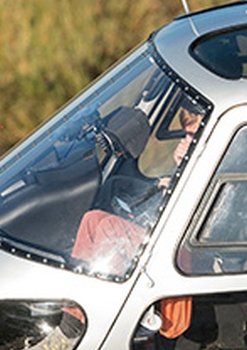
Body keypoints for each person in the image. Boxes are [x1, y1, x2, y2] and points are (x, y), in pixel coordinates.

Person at [70, 106, 199, 277]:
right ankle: (75, 290)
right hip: (172, 238)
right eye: (185, 134)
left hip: (188, 249)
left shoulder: (221, 163)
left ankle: (106, 291)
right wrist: (176, 172)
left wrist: (187, 165)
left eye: (192, 136)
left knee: (111, 227)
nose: (185, 141)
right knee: (92, 219)